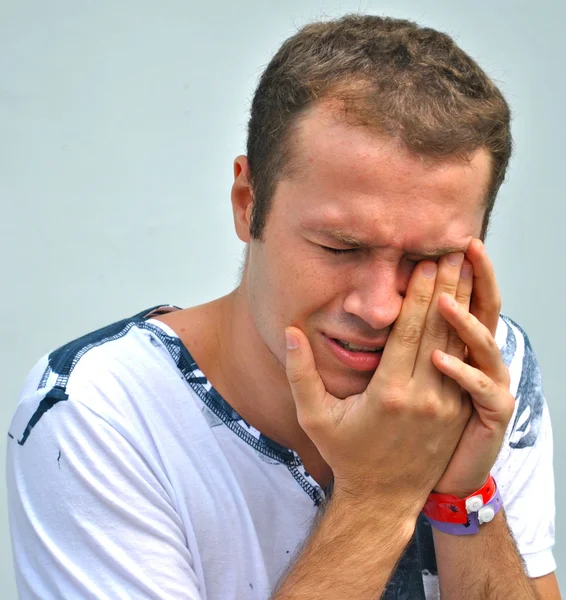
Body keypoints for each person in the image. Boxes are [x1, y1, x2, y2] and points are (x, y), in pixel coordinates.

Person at [6, 13, 560, 600]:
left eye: (429, 258)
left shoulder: (482, 364)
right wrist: (380, 493)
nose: (379, 308)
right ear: (248, 204)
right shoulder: (97, 412)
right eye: (340, 247)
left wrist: (463, 494)